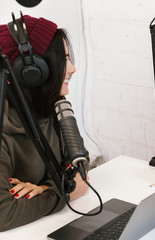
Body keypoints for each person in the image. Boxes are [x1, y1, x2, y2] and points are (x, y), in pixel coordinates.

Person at [0, 15, 89, 231]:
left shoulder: (54, 108)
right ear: (32, 72)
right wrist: (64, 193)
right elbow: (2, 215)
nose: (72, 69)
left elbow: (80, 162)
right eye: (64, 60)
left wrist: (47, 189)